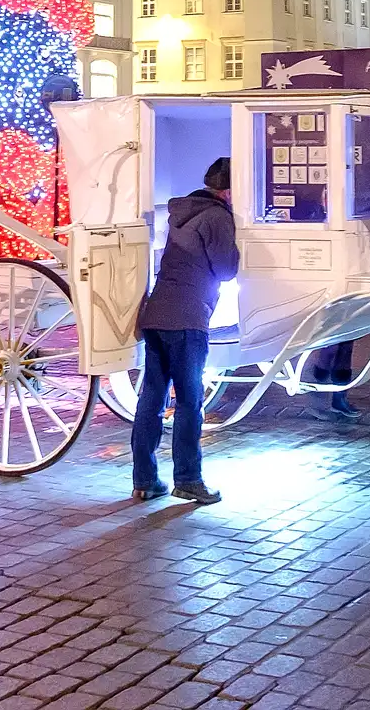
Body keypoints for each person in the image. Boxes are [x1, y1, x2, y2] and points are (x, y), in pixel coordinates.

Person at [132, 156, 238, 506]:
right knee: (191, 401)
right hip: (188, 318)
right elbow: (225, 270)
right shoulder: (218, 218)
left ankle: (144, 480)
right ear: (230, 189)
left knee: (151, 398)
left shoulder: (181, 212)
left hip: (157, 313)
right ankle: (188, 479)